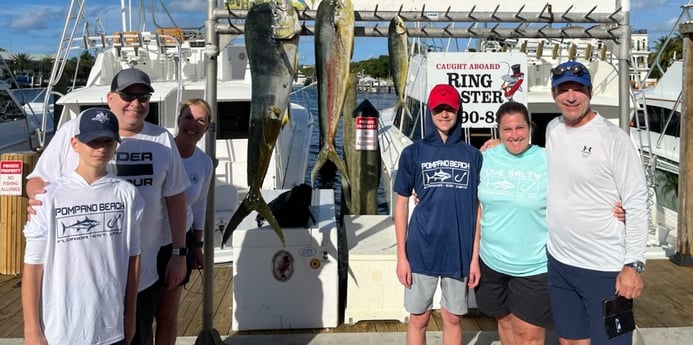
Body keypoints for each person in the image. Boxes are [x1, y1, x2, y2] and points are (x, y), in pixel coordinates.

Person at [25, 68, 189, 345]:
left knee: (138, 334)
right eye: (128, 95)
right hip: (79, 280)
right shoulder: (72, 130)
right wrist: (40, 202)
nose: (136, 103)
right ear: (110, 97)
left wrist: (179, 253)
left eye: (143, 97)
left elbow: (175, 199)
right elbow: (37, 180)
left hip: (142, 272)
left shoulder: (162, 140)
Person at [546, 60, 648, 345]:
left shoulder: (613, 138)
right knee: (569, 341)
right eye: (562, 90)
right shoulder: (552, 128)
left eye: (577, 89)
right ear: (554, 95)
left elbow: (637, 201)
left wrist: (633, 265)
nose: (570, 96)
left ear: (589, 92)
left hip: (605, 270)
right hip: (559, 263)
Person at [22, 108, 143, 345]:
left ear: (116, 145)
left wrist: (130, 316)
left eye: (107, 141)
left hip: (111, 328)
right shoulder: (48, 197)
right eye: (92, 141)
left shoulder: (127, 194)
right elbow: (33, 269)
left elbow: (133, 258)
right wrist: (31, 329)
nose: (100, 148)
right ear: (75, 144)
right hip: (61, 331)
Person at [393, 84, 482, 345]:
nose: (444, 114)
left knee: (453, 318)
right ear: (430, 111)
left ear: (458, 111)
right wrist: (401, 256)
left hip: (459, 252)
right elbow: (400, 205)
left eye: (450, 109)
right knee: (418, 318)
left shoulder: (473, 156)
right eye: (439, 109)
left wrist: (474, 258)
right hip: (421, 251)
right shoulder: (413, 153)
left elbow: (478, 209)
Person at [154, 99, 214, 345]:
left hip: (179, 244)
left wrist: (197, 245)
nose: (193, 125)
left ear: (207, 127)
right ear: (178, 121)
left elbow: (199, 205)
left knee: (167, 316)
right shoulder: (160, 153)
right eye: (188, 118)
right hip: (147, 243)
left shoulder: (204, 163)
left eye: (201, 120)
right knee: (142, 316)